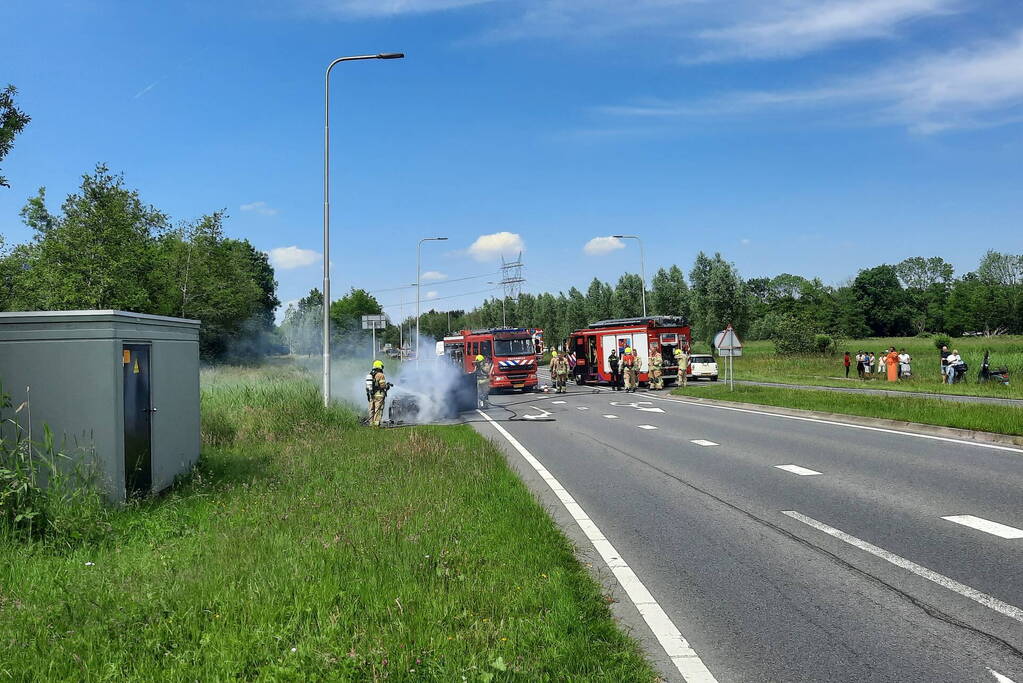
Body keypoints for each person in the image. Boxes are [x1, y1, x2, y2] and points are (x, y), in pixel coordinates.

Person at [366, 359, 391, 427]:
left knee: (372, 409)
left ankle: (371, 423)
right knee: (378, 409)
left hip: (371, 395)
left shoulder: (370, 374)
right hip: (379, 395)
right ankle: (376, 425)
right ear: (380, 366)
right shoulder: (380, 375)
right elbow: (382, 385)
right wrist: (387, 386)